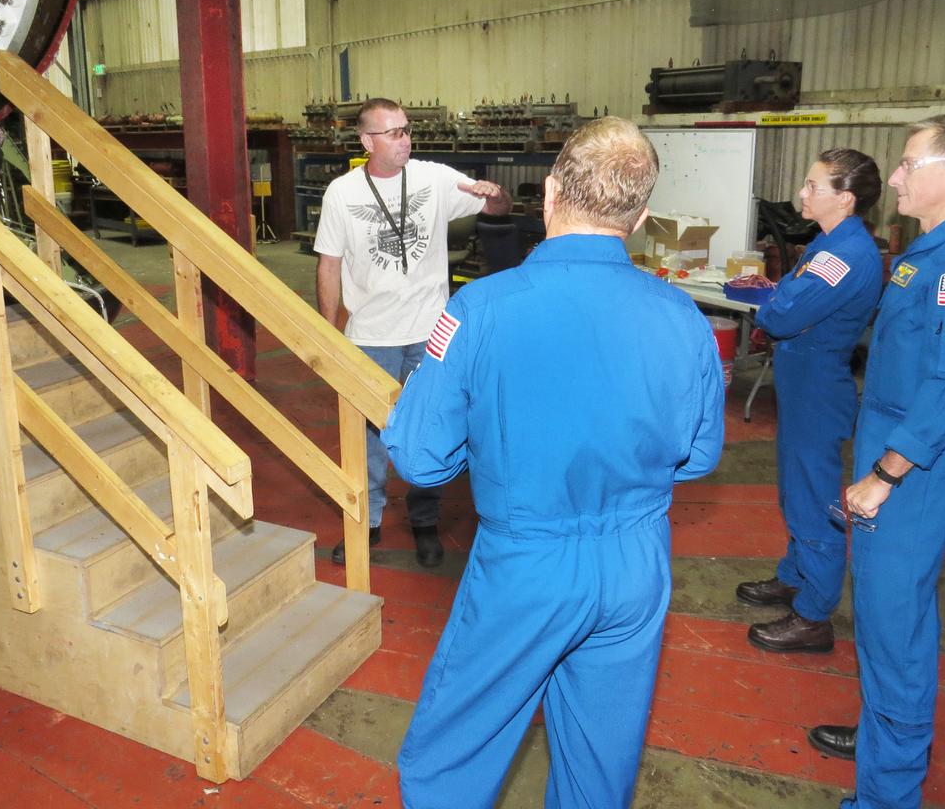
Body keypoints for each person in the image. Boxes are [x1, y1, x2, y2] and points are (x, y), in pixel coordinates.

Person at [382, 117, 726, 807]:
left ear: (548, 194)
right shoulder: (681, 315)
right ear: (641, 217)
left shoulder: (481, 308)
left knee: (450, 760)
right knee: (599, 766)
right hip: (636, 562)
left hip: (528, 563)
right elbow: (697, 456)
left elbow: (421, 457)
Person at [808, 114, 945, 809]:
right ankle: (883, 742)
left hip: (915, 474)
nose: (894, 176)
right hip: (894, 455)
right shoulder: (925, 253)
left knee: (894, 628)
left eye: (908, 163)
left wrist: (884, 476)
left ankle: (887, 795)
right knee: (880, 618)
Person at [314, 97, 510, 568]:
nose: (404, 140)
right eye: (393, 132)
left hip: (430, 333)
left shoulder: (434, 178)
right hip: (370, 334)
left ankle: (425, 521)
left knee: (431, 428)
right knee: (367, 438)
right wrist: (328, 333)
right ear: (367, 141)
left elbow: (499, 210)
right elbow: (329, 265)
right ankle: (369, 521)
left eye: (406, 130)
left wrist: (495, 192)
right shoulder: (341, 193)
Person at [738, 149, 883, 652]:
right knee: (795, 489)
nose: (802, 193)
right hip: (803, 383)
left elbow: (777, 316)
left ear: (844, 198)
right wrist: (781, 299)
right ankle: (796, 574)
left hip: (819, 388)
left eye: (812, 186)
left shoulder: (845, 254)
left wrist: (776, 302)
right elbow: (787, 300)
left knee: (813, 498)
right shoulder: (827, 242)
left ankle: (814, 613)